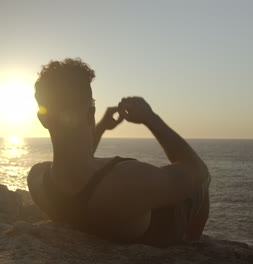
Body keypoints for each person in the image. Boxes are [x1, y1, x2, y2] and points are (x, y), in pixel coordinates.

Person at [27, 58, 211, 247]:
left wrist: (101, 128)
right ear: (91, 112)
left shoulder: (37, 181)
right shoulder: (128, 179)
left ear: (43, 119)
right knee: (201, 185)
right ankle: (193, 244)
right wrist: (150, 118)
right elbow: (198, 170)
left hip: (98, 222)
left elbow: (82, 171)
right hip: (161, 230)